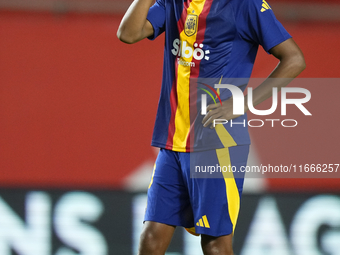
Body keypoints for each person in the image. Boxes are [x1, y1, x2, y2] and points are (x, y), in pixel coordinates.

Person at [117, 0, 305, 254]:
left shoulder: (245, 5)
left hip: (217, 144)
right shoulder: (173, 3)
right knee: (151, 238)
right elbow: (127, 35)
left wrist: (241, 103)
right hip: (173, 140)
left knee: (215, 244)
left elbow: (294, 59)